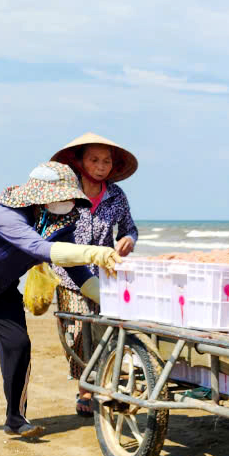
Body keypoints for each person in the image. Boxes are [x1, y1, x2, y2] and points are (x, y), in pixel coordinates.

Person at [0, 163, 123, 439]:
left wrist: (110, 300)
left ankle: (16, 418)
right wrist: (94, 253)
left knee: (18, 346)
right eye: (60, 196)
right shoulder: (7, 216)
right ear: (39, 196)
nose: (66, 202)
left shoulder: (61, 222)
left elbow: (74, 270)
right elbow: (39, 248)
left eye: (68, 197)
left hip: (0, 290)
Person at [49, 133, 140, 416]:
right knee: (78, 333)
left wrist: (129, 241)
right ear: (79, 161)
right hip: (68, 275)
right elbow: (49, 232)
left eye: (106, 161)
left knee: (104, 332)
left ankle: (97, 387)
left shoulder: (116, 196)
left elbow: (129, 229)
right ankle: (85, 388)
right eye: (94, 160)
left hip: (105, 276)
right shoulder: (66, 194)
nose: (101, 166)